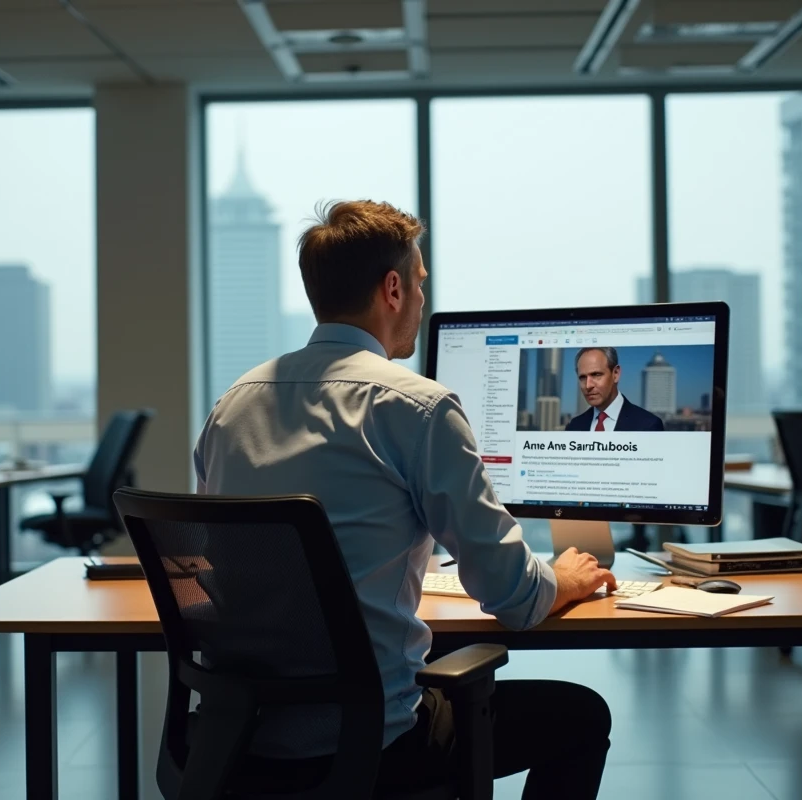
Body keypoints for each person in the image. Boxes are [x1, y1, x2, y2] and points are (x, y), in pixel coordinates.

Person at [194, 200, 614, 798]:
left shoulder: (233, 404)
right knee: (580, 716)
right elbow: (512, 594)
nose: (421, 298)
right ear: (392, 288)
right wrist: (564, 577)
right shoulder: (416, 406)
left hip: (239, 739)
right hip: (375, 742)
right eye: (418, 283)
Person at [565, 347, 665, 432]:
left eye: (596, 375)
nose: (588, 385)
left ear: (615, 374)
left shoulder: (648, 425)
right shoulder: (574, 426)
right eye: (582, 377)